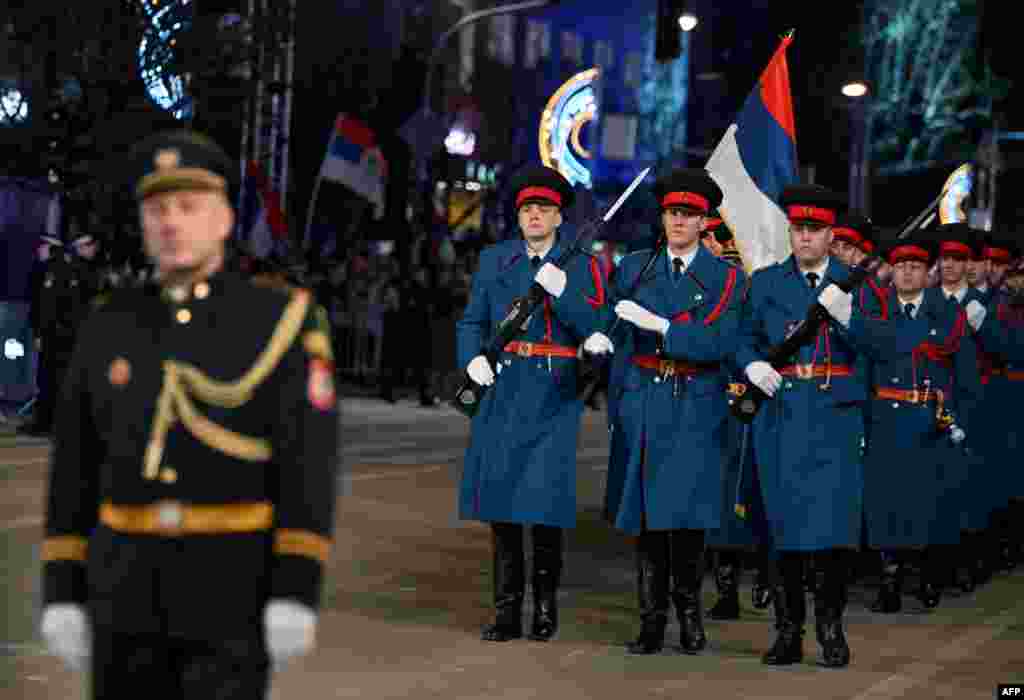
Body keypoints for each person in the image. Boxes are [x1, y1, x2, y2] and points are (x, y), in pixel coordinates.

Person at [39, 130, 340, 699]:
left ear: (224, 218)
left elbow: (308, 462)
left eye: (189, 206)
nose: (171, 222)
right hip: (122, 593)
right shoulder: (110, 322)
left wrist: (296, 585)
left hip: (231, 595)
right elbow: (75, 466)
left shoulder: (280, 319)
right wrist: (62, 587)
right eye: (157, 209)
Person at [594, 169, 746, 654]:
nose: (678, 221)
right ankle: (651, 621)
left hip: (697, 404)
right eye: (672, 212)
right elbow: (613, 326)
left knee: (689, 520)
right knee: (648, 521)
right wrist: (601, 339)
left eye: (688, 214)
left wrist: (661, 326)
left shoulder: (726, 278)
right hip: (647, 401)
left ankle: (690, 615)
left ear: (704, 222)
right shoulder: (637, 266)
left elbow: (719, 342)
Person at [456, 164, 606, 643]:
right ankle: (506, 610)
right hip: (502, 388)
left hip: (552, 393)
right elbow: (471, 322)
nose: (535, 215)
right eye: (527, 209)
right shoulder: (496, 259)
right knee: (502, 506)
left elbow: (597, 329)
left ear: (560, 217)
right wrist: (473, 361)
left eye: (543, 208)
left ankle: (544, 610)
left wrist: (564, 296)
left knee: (543, 509)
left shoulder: (581, 264)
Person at [737, 184, 866, 668]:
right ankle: (788, 631)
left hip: (834, 416)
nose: (806, 237)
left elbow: (880, 348)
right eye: (798, 229)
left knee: (833, 531)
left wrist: (850, 316)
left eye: (814, 230)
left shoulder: (857, 283)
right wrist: (751, 367)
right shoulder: (767, 283)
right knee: (784, 528)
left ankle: (831, 629)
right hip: (783, 414)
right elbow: (742, 339)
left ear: (831, 235)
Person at [846, 234, 980, 614]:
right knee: (885, 500)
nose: (907, 272)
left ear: (928, 273)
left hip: (929, 419)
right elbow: (862, 369)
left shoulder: (948, 314)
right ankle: (889, 580)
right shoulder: (875, 312)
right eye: (901, 266)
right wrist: (859, 420)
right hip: (885, 418)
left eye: (916, 267)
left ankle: (926, 577)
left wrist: (961, 419)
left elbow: (965, 373)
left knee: (928, 501)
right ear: (893, 271)